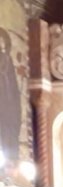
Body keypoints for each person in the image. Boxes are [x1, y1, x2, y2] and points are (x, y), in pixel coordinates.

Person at [0, 28, 21, 164]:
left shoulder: (7, 59)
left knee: (9, 128)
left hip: (7, 99)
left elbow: (12, 82)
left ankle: (11, 159)